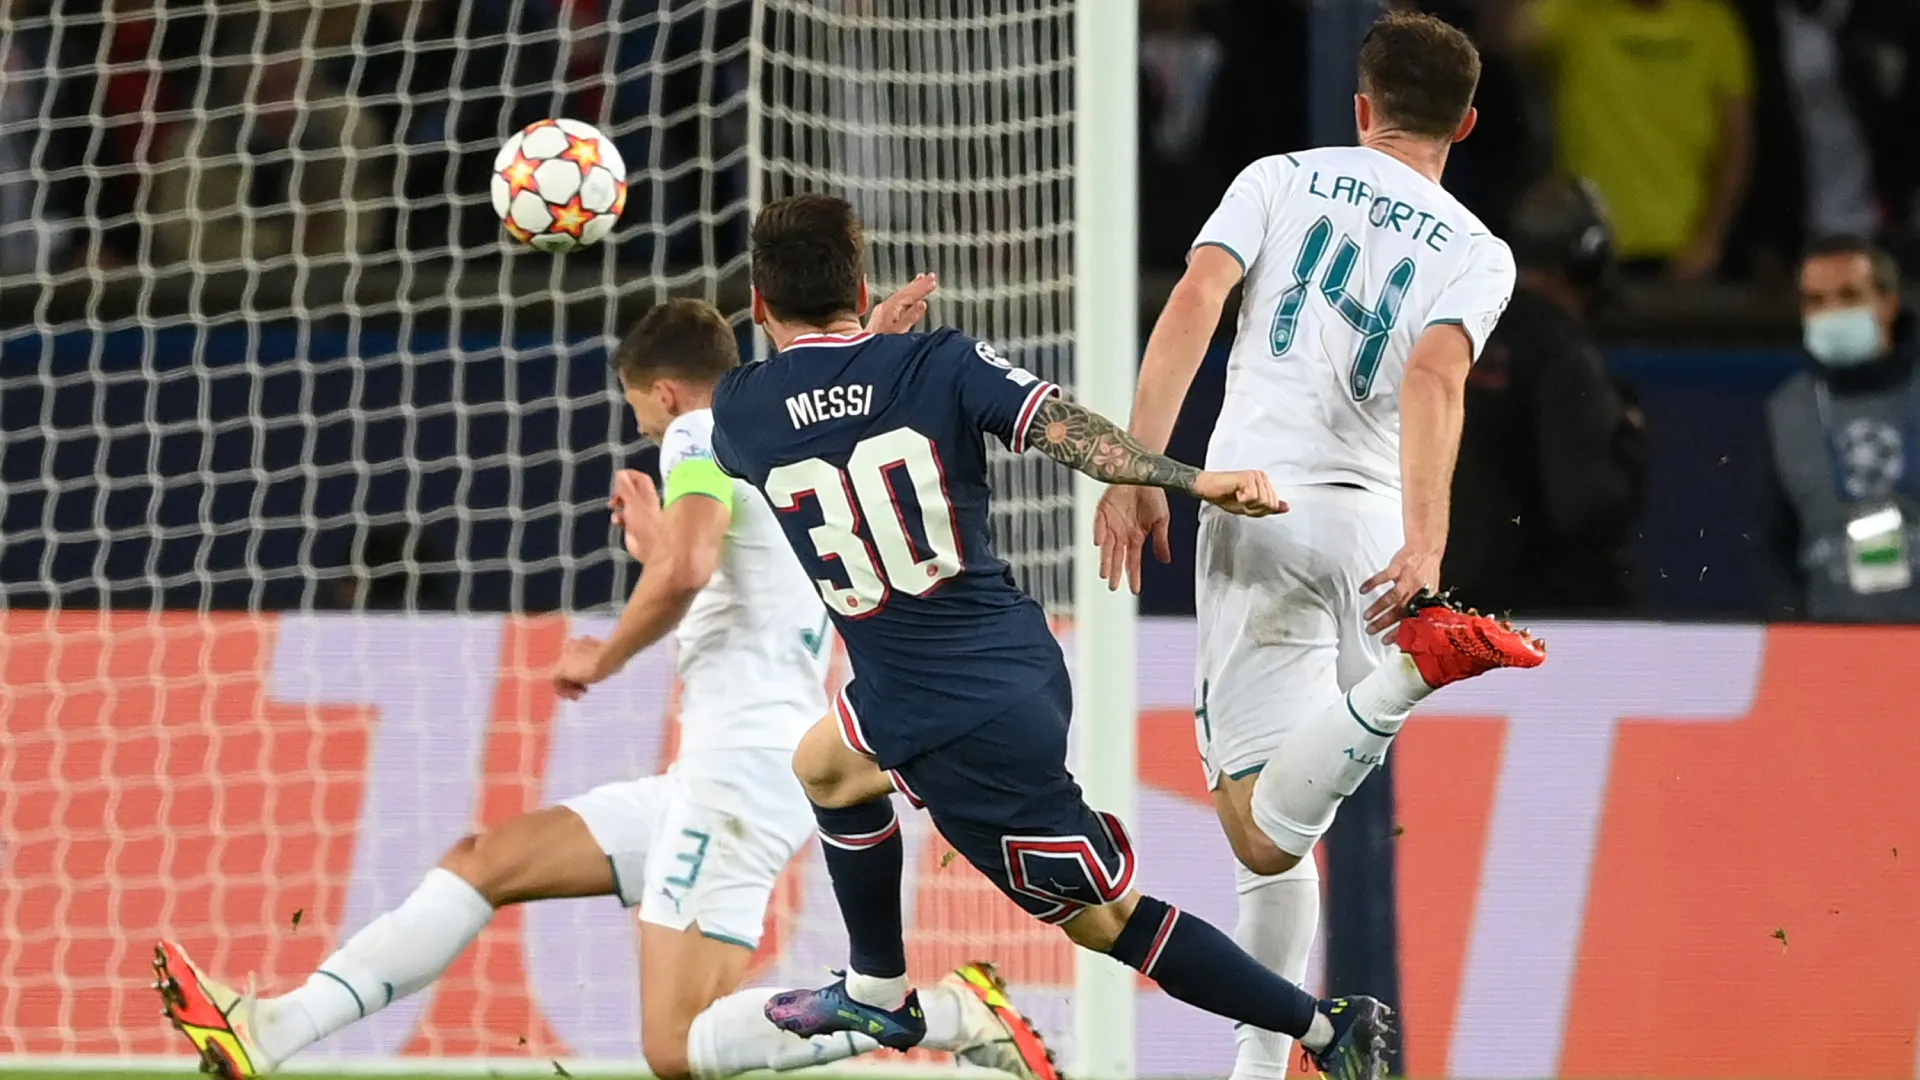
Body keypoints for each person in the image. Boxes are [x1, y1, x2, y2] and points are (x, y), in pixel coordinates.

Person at [151, 288, 1055, 1080]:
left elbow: (694, 565)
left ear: (663, 393)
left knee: (675, 1048)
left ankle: (956, 1016)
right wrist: (661, 543)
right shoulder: (774, 433)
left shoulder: (700, 431)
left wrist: (605, 653)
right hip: (723, 770)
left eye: (642, 415)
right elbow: (727, 561)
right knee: (484, 862)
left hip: (740, 777)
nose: (650, 434)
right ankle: (273, 1030)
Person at [708, 193, 1394, 1080]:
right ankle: (877, 989)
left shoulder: (741, 410)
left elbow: (821, 414)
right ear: (864, 284)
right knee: (826, 767)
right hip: (994, 668)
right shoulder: (938, 361)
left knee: (1108, 923)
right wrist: (1189, 478)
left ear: (758, 301)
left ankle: (1326, 1029)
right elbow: (1066, 431)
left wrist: (859, 349)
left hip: (956, 722)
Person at [1092, 13, 1547, 1079]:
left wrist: (1139, 465)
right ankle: (1257, 1072)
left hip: (1260, 507)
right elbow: (1435, 377)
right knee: (1281, 837)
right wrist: (1427, 545)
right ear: (1466, 125)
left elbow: (1197, 296)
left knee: (1259, 831)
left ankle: (1406, 680)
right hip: (1377, 535)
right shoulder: (1480, 251)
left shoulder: (1281, 176)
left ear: (1361, 107)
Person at [1446, 175, 1648, 614]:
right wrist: (1628, 448)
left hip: (1440, 599)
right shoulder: (1563, 354)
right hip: (1536, 617)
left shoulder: (1456, 332)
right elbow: (1585, 507)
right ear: (1590, 256)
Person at [1487, 0, 1754, 281]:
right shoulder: (1576, 11)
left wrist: (1710, 238)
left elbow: (1737, 141)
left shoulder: (1712, 22)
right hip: (1587, 240)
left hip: (1682, 247)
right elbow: (1509, 37)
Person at [1755, 234, 1920, 620]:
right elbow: (1771, 541)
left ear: (1889, 302)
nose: (1832, 312)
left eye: (1849, 296)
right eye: (1815, 301)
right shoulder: (1789, 410)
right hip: (1829, 638)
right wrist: (1796, 630)